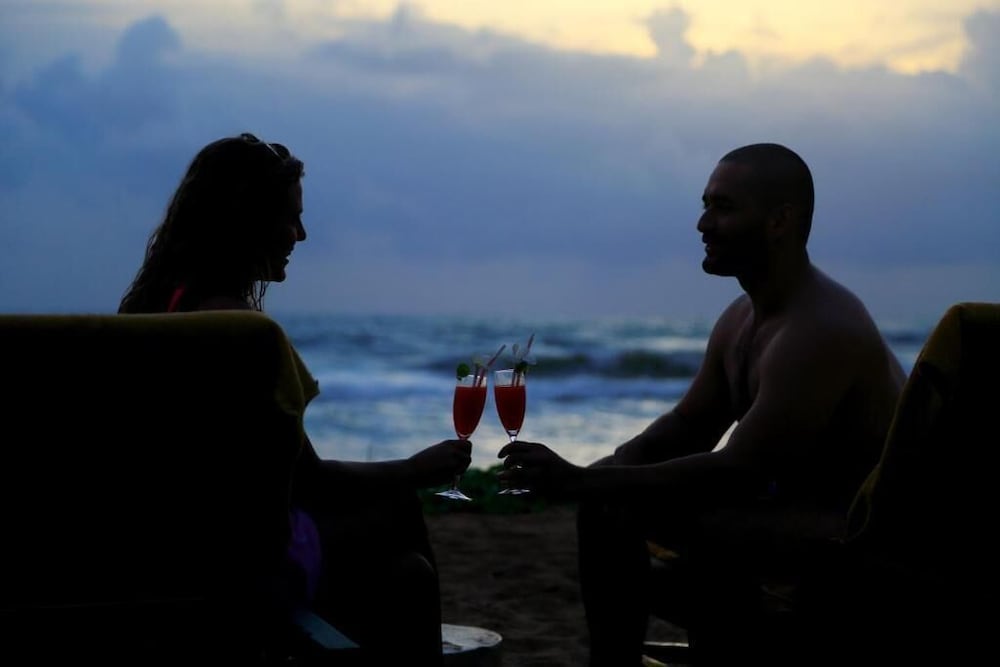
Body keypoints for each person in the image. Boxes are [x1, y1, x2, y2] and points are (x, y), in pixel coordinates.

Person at [498, 143, 907, 665]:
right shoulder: (742, 317)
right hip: (784, 512)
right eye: (706, 204)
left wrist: (582, 482)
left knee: (628, 509)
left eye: (724, 207)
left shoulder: (821, 328)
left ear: (780, 221)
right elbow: (689, 425)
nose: (703, 224)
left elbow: (741, 470)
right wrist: (609, 466)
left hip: (855, 536)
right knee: (608, 502)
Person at [119, 132, 470, 665]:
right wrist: (415, 469)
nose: (301, 235)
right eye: (291, 219)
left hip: (169, 547)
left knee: (401, 562)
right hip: (239, 564)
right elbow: (310, 481)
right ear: (248, 221)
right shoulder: (244, 334)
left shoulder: (160, 311)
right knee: (401, 516)